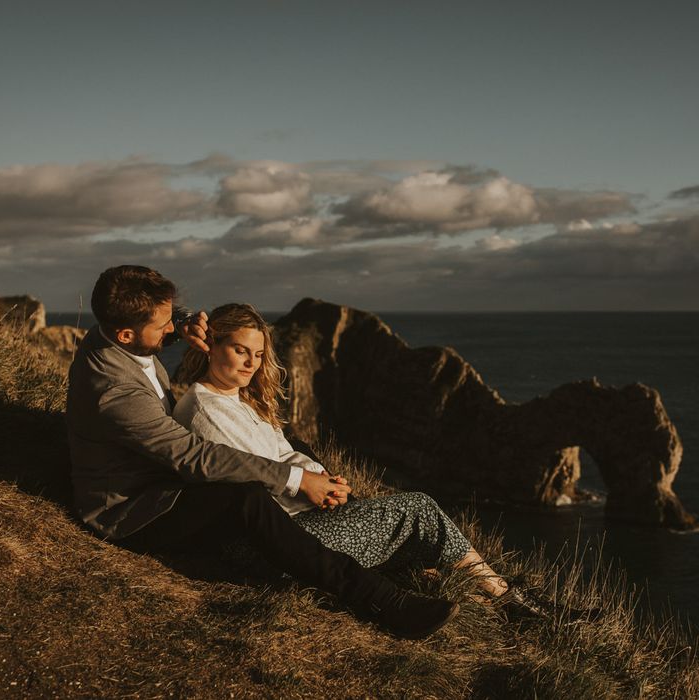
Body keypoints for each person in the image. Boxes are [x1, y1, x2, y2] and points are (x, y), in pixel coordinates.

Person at [66, 265, 461, 641]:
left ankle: (382, 553)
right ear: (125, 336)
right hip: (134, 509)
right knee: (246, 498)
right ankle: (380, 599)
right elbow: (196, 457)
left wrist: (182, 323)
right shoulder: (117, 393)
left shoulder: (115, 330)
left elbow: (154, 329)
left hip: (158, 475)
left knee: (293, 451)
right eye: (165, 325)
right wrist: (298, 479)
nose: (174, 328)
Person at [173, 303, 554, 614]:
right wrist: (312, 490)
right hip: (270, 549)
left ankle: (493, 595)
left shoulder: (237, 398)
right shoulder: (207, 412)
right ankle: (508, 599)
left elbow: (282, 454)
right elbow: (252, 487)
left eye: (257, 354)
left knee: (409, 530)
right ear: (210, 345)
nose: (251, 363)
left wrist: (321, 478)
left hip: (293, 527)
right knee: (418, 509)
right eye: (240, 350)